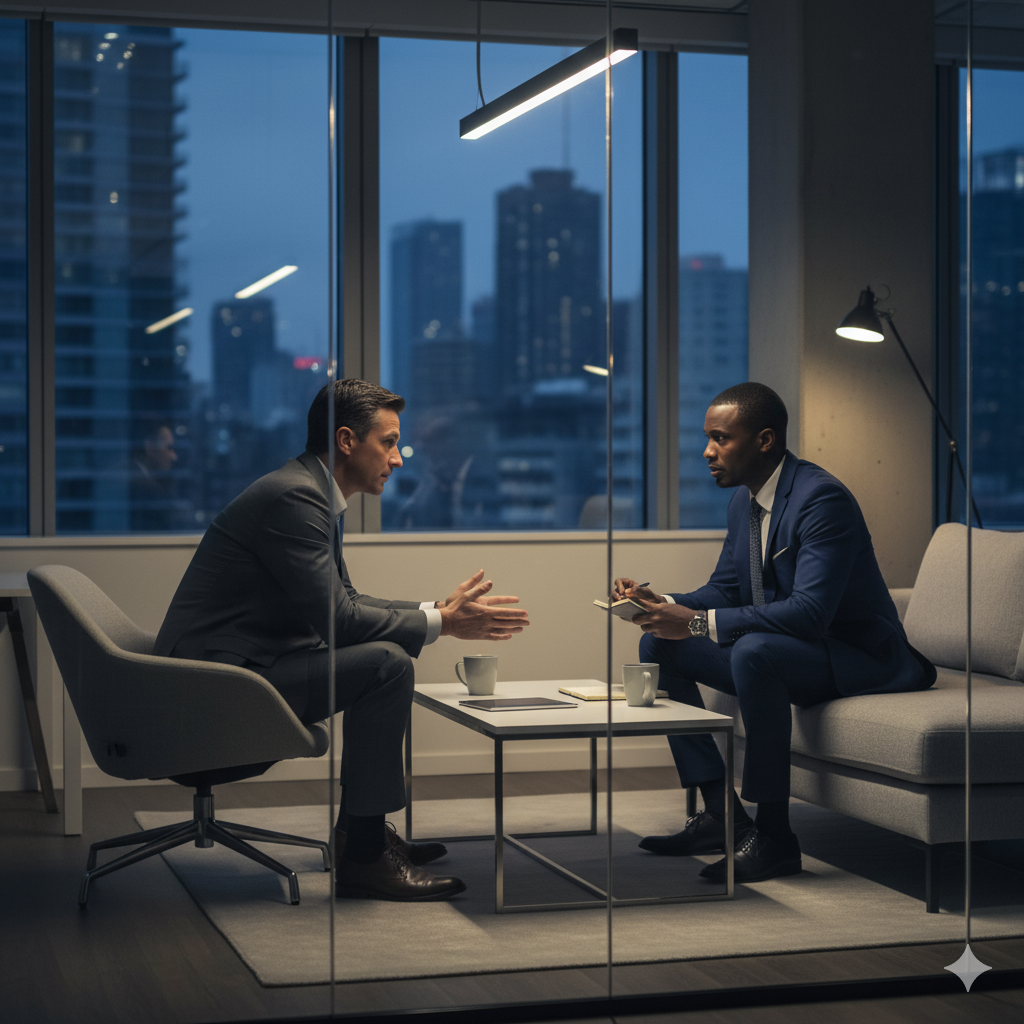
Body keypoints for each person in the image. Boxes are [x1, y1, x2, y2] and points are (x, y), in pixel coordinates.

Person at [154, 379, 530, 902]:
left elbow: (346, 600)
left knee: (384, 660)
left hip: (240, 671)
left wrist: (436, 612)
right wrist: (445, 623)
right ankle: (364, 856)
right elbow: (342, 620)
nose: (398, 459)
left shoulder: (311, 493)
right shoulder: (296, 497)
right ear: (347, 440)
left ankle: (362, 836)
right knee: (387, 665)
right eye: (390, 442)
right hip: (214, 689)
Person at [613, 382, 935, 883]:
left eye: (721, 439)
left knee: (754, 652)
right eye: (708, 439)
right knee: (657, 641)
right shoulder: (744, 504)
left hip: (859, 656)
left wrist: (697, 623)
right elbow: (724, 588)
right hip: (798, 652)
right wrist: (665, 604)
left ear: (764, 440)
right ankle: (721, 815)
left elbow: (810, 613)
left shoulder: (821, 499)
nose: (707, 452)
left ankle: (775, 838)